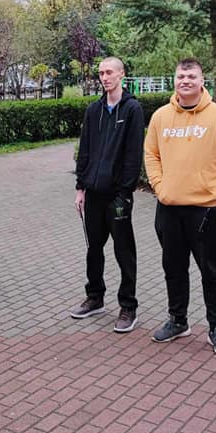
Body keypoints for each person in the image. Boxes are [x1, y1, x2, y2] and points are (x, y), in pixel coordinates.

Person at [144, 58, 216, 357]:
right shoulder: (161, 117)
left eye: (191, 76)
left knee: (211, 271)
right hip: (169, 208)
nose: (185, 81)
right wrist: (160, 187)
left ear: (202, 81)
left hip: (207, 209)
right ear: (174, 80)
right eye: (180, 76)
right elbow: (151, 154)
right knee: (173, 268)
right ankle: (178, 320)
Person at [69, 57, 145, 333]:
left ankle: (128, 306)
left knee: (124, 251)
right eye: (101, 73)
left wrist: (125, 192)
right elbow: (85, 149)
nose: (105, 77)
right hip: (93, 194)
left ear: (121, 74)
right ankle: (95, 297)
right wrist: (81, 187)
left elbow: (134, 155)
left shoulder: (133, 109)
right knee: (94, 248)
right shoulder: (94, 110)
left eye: (109, 72)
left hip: (117, 196)